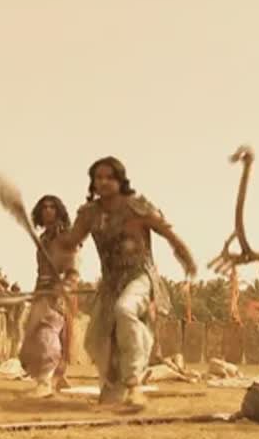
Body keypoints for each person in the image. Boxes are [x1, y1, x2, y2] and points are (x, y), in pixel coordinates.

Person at [51, 156, 197, 409]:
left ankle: (134, 383)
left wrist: (186, 257)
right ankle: (116, 387)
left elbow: (168, 233)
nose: (103, 182)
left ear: (120, 180)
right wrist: (55, 243)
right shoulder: (90, 214)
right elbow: (72, 241)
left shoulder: (137, 207)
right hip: (110, 283)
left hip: (139, 276)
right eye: (98, 178)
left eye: (109, 177)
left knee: (125, 310)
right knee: (98, 340)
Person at [18, 195, 79, 398]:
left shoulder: (67, 237)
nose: (48, 210)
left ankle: (44, 382)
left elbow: (73, 268)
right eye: (44, 207)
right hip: (43, 291)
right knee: (35, 334)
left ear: (59, 211)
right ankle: (57, 376)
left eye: (52, 207)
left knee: (47, 330)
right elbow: (41, 271)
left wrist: (64, 286)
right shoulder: (43, 240)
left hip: (60, 292)